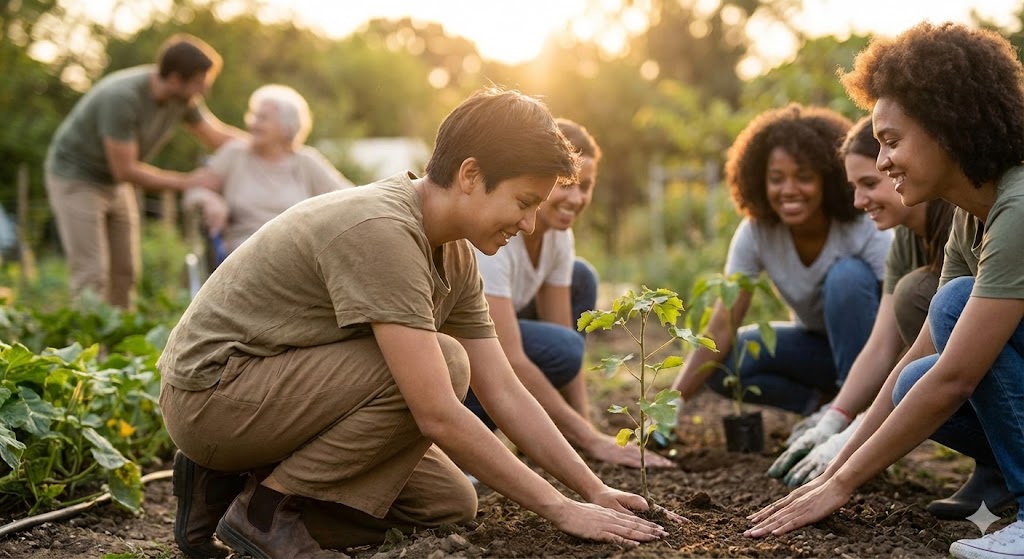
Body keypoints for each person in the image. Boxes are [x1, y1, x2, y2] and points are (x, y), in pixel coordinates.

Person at [159, 88, 673, 559]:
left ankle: (231, 489)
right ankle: (267, 509)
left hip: (274, 398)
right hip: (213, 397)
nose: (529, 224)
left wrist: (593, 490)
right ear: (470, 175)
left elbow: (504, 388)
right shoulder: (382, 230)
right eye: (524, 203)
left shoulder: (455, 254)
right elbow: (437, 413)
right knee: (447, 365)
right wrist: (561, 510)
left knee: (449, 505)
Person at [746, 23, 1024, 559]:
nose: (882, 162)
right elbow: (925, 351)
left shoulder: (1017, 205)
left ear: (948, 129)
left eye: (891, 142)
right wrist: (842, 448)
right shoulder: (975, 216)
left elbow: (959, 376)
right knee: (914, 376)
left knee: (950, 304)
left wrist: (839, 486)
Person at [767, 118, 969, 499]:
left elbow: (926, 357)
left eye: (870, 184)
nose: (859, 202)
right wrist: (835, 421)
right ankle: (993, 471)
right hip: (959, 377)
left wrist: (853, 446)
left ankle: (998, 467)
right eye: (854, 187)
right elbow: (881, 345)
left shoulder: (958, 226)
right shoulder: (905, 241)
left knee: (916, 299)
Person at [466, 119, 673, 470]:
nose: (576, 199)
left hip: (506, 336)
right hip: (471, 352)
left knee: (581, 280)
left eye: (586, 186)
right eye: (567, 185)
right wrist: (588, 439)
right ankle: (479, 441)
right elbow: (513, 357)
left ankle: (546, 431)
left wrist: (584, 427)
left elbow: (565, 343)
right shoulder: (497, 236)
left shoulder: (558, 237)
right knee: (560, 349)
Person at [669, 104, 892, 416]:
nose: (789, 190)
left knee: (847, 276)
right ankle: (818, 410)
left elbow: (898, 315)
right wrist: (671, 403)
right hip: (812, 350)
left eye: (803, 177)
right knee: (727, 362)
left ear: (827, 179)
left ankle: (854, 412)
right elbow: (723, 324)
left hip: (872, 355)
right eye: (776, 178)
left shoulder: (862, 225)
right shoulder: (757, 231)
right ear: (760, 181)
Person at [44, 34, 243, 309]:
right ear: (174, 79)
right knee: (91, 274)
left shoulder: (183, 100)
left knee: (125, 273)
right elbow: (125, 170)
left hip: (114, 183)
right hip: (78, 177)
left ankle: (119, 346)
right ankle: (87, 349)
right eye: (199, 82)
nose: (204, 90)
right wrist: (187, 182)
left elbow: (214, 135)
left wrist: (266, 142)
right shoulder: (122, 98)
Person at [184, 84, 354, 260]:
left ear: (287, 128)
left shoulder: (305, 161)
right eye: (253, 115)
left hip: (298, 250)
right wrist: (209, 199)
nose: (252, 123)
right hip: (245, 252)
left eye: (262, 118)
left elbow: (349, 197)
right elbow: (195, 189)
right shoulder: (235, 154)